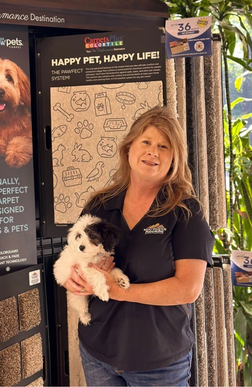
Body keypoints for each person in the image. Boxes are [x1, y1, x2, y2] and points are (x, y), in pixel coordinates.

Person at [64, 106, 214, 386]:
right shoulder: (100, 204)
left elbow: (188, 289)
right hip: (98, 353)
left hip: (159, 363)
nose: (152, 152)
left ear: (175, 158)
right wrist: (73, 280)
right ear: (129, 146)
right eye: (146, 142)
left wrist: (117, 290)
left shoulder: (186, 212)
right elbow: (75, 255)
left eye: (163, 146)